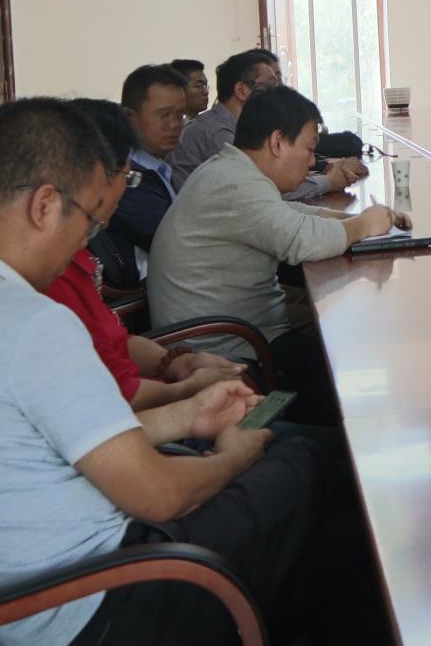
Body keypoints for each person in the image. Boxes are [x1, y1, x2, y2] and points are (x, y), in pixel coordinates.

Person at [0, 98, 374, 646]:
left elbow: (42, 445)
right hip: (94, 619)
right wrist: (234, 454)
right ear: (44, 205)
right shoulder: (25, 323)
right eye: (88, 223)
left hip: (21, 621)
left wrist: (189, 414)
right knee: (323, 470)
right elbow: (162, 494)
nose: (86, 244)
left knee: (305, 454)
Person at [148, 85, 410, 422]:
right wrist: (363, 226)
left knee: (341, 321)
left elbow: (290, 214)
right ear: (277, 142)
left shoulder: (231, 170)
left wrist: (358, 220)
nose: (313, 161)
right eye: (309, 149)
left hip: (237, 326)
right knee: (347, 355)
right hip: (228, 348)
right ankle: (342, 443)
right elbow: (302, 241)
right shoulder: (236, 183)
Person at [45, 98, 252, 409]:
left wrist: (177, 362)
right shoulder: (47, 279)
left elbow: (115, 342)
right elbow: (115, 403)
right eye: (127, 175)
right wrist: (187, 392)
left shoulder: (76, 259)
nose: (126, 187)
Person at [170, 49, 367, 199]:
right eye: (271, 85)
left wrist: (329, 169)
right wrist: (329, 181)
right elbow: (267, 190)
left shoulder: (239, 127)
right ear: (242, 91)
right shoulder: (219, 133)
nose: (278, 92)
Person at [111, 63, 188, 270]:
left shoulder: (157, 167)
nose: (174, 125)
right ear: (130, 117)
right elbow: (175, 244)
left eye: (180, 115)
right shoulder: (127, 178)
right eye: (163, 115)